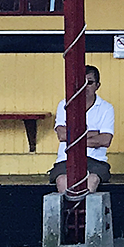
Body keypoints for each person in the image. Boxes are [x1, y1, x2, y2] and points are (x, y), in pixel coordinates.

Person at [49, 65, 114, 195]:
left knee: (93, 180)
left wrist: (73, 138)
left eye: (89, 83)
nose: (84, 87)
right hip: (65, 160)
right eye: (81, 82)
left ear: (98, 85)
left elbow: (106, 140)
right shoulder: (64, 104)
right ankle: (70, 213)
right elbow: (61, 135)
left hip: (96, 161)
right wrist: (93, 134)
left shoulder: (106, 108)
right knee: (62, 181)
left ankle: (84, 214)